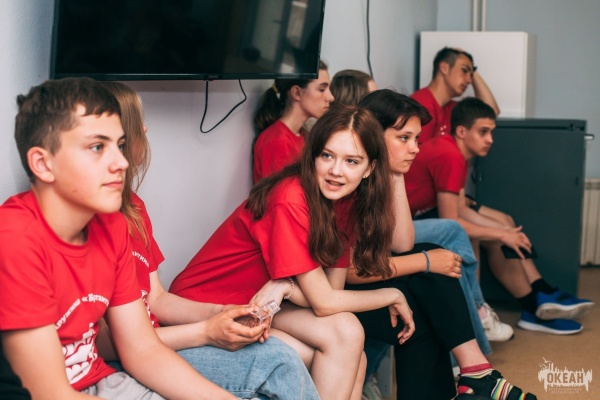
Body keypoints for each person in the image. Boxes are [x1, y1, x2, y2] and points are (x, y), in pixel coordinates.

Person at [0, 77, 239, 400]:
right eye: (97, 147)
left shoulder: (112, 225)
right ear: (43, 164)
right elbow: (51, 393)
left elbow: (143, 350)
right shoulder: (14, 239)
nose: (122, 163)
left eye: (121, 145)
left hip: (100, 382)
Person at [171, 105, 416, 400]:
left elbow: (332, 292)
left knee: (353, 348)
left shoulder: (344, 201)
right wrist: (393, 294)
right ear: (312, 156)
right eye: (327, 155)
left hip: (257, 306)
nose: (336, 170)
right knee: (346, 333)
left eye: (351, 161)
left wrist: (285, 287)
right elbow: (325, 302)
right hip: (201, 309)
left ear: (370, 169)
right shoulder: (290, 198)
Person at [97, 81, 319, 400]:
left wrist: (223, 311)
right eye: (136, 123)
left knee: (286, 357)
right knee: (280, 360)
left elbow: (156, 298)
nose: (145, 129)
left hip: (155, 339)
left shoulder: (133, 208)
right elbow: (117, 343)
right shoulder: (90, 225)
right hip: (137, 352)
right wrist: (206, 332)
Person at [343, 89, 536, 400]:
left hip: (355, 284)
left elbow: (402, 243)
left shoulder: (376, 179)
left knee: (425, 285)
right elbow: (351, 272)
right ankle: (478, 374)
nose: (415, 148)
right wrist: (427, 261)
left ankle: (476, 374)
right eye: (404, 138)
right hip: (328, 294)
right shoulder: (347, 180)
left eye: (416, 139)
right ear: (373, 135)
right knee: (426, 282)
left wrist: (396, 175)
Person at [404, 97, 594, 335]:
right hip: (405, 225)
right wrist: (501, 235)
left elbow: (460, 207)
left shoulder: (454, 151)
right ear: (462, 131)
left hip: (420, 215)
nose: (490, 139)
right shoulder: (449, 155)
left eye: (491, 132)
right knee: (483, 236)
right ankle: (496, 308)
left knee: (506, 225)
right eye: (483, 132)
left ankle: (539, 293)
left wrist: (504, 232)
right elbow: (452, 221)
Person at [253, 59, 334, 183]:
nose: (331, 97)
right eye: (322, 89)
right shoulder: (277, 143)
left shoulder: (303, 134)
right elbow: (279, 193)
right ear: (297, 93)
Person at [411, 47, 500, 144]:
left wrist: (472, 69)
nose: (469, 80)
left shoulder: (451, 108)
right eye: (464, 70)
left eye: (471, 75)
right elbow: (418, 151)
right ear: (444, 68)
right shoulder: (421, 105)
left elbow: (490, 113)